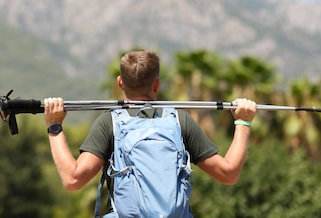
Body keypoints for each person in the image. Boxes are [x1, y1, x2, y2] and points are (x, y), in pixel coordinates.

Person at [43, 49, 257, 213]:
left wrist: (54, 127)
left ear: (120, 83)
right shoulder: (180, 121)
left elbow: (72, 180)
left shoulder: (110, 123)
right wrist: (243, 123)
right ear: (157, 85)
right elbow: (228, 174)